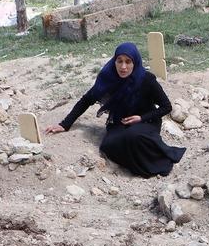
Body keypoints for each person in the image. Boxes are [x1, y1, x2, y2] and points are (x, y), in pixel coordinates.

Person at [44, 42, 184, 178]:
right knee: (108, 145)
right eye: (119, 61)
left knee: (134, 136)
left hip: (146, 122)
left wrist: (141, 118)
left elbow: (166, 106)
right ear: (114, 61)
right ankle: (134, 164)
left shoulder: (146, 80)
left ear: (135, 62)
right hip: (120, 123)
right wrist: (64, 124)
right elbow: (86, 100)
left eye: (128, 62)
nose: (123, 67)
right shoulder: (108, 79)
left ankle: (156, 164)